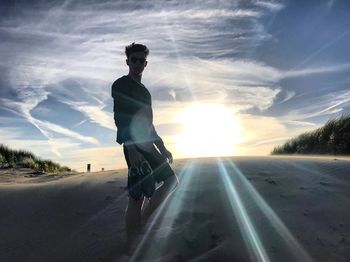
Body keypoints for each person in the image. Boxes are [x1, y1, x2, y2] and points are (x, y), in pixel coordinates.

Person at [111, 42, 179, 251]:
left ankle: (141, 224)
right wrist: (130, 146)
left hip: (149, 145)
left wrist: (163, 147)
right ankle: (132, 242)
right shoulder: (121, 84)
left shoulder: (146, 92)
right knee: (136, 196)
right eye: (134, 60)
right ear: (127, 62)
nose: (138, 63)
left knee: (171, 182)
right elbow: (120, 116)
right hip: (134, 145)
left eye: (142, 60)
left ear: (146, 63)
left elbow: (149, 123)